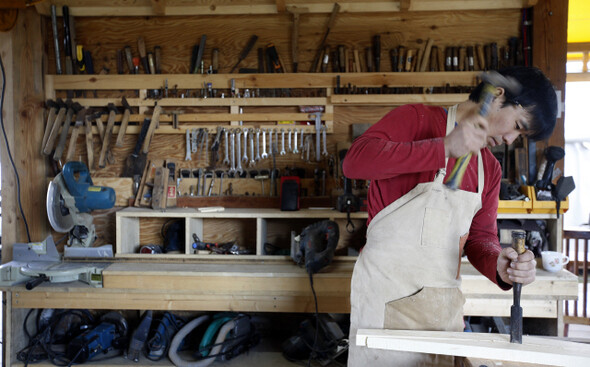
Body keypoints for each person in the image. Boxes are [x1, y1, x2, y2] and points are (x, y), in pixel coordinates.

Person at [342, 66, 558, 367]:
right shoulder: (417, 120)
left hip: (443, 316)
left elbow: (480, 238)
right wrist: (442, 148)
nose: (510, 139)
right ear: (497, 96)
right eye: (518, 126)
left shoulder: (489, 169)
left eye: (520, 136)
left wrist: (500, 263)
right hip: (385, 312)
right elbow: (354, 163)